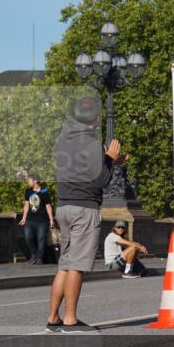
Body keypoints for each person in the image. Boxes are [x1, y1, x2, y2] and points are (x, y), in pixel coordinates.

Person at [49, 97, 121, 333]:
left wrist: (106, 159)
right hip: (84, 208)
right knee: (77, 266)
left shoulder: (63, 138)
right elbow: (101, 180)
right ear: (96, 119)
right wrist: (109, 158)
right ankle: (70, 320)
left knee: (65, 265)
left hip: (64, 206)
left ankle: (53, 319)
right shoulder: (91, 143)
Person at [20, 173, 54, 264]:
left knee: (41, 239)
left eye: (29, 180)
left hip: (42, 221)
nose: (28, 182)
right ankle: (33, 254)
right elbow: (26, 205)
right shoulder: (28, 191)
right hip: (30, 220)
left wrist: (51, 220)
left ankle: (39, 258)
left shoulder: (44, 192)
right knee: (28, 237)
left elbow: (48, 207)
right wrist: (24, 218)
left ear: (35, 181)